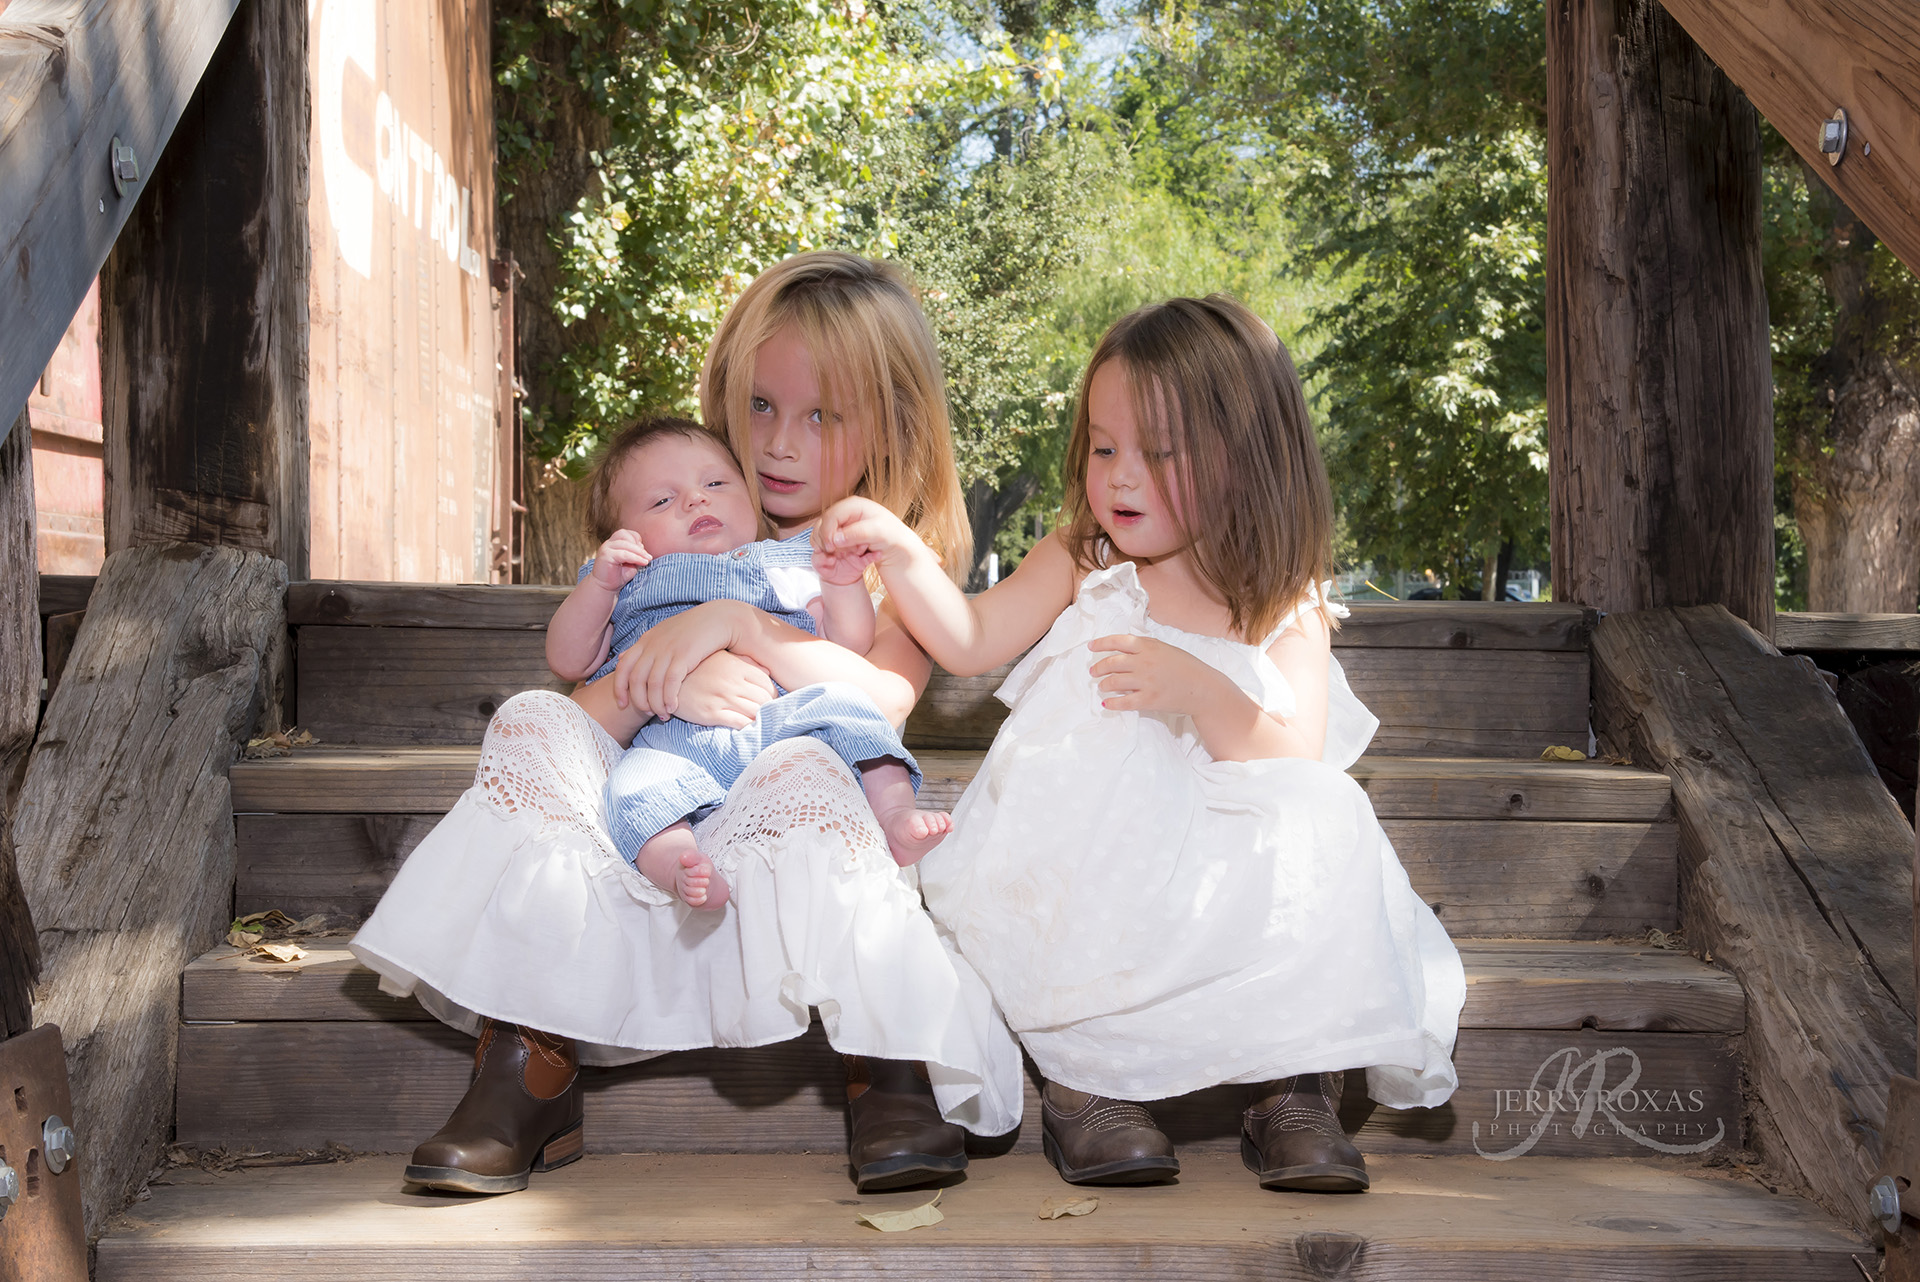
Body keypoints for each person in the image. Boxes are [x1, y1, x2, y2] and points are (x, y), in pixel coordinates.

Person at [349, 252, 1023, 1198]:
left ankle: (887, 1062)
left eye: (821, 417)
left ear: (892, 427)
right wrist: (671, 677)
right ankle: (526, 1064)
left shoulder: (876, 566)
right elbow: (592, 710)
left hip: (785, 867)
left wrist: (739, 627)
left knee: (813, 770)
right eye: (759, 407)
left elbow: (877, 706)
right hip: (660, 838)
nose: (781, 444)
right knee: (536, 725)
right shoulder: (679, 520)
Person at [815, 294, 1466, 1192]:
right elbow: (968, 639)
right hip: (1088, 856)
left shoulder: (1279, 600)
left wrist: (1200, 689)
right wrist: (896, 551)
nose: (1120, 478)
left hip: (1221, 874)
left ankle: (1292, 1083)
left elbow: (1296, 750)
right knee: (1107, 769)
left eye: (1158, 454)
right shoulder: (1088, 557)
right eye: (1104, 447)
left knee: (1327, 807)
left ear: (1249, 455)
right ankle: (1090, 1083)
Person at [548, 415, 950, 912]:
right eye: (661, 500)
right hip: (672, 742)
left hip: (780, 726)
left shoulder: (781, 562)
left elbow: (848, 644)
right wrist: (600, 585)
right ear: (624, 537)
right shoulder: (626, 579)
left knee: (846, 705)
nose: (696, 499)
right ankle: (680, 865)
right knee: (632, 791)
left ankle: (894, 814)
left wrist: (841, 584)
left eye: (715, 483)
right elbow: (568, 660)